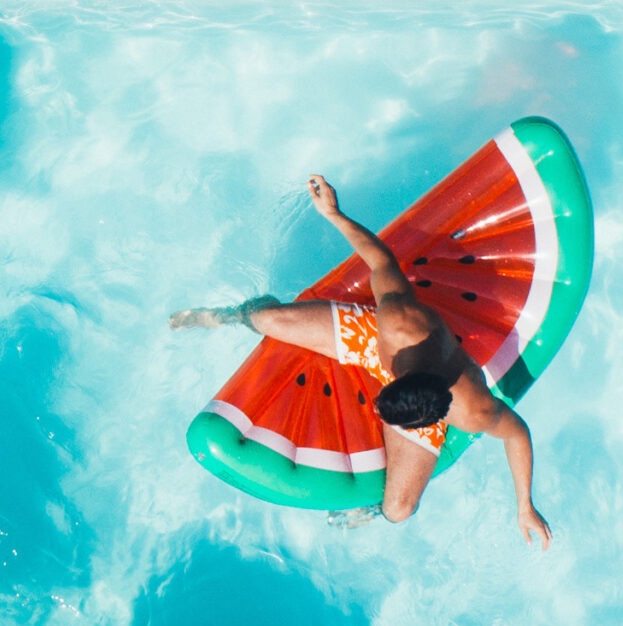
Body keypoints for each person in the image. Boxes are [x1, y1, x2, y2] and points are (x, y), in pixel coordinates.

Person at [172, 175, 552, 547]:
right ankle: (226, 315)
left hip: (416, 390)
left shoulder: (471, 409)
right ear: (401, 374)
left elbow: (517, 433)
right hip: (371, 341)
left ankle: (370, 508)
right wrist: (333, 214)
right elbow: (379, 259)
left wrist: (524, 506)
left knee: (399, 510)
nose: (375, 410)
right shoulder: (400, 323)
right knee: (268, 320)